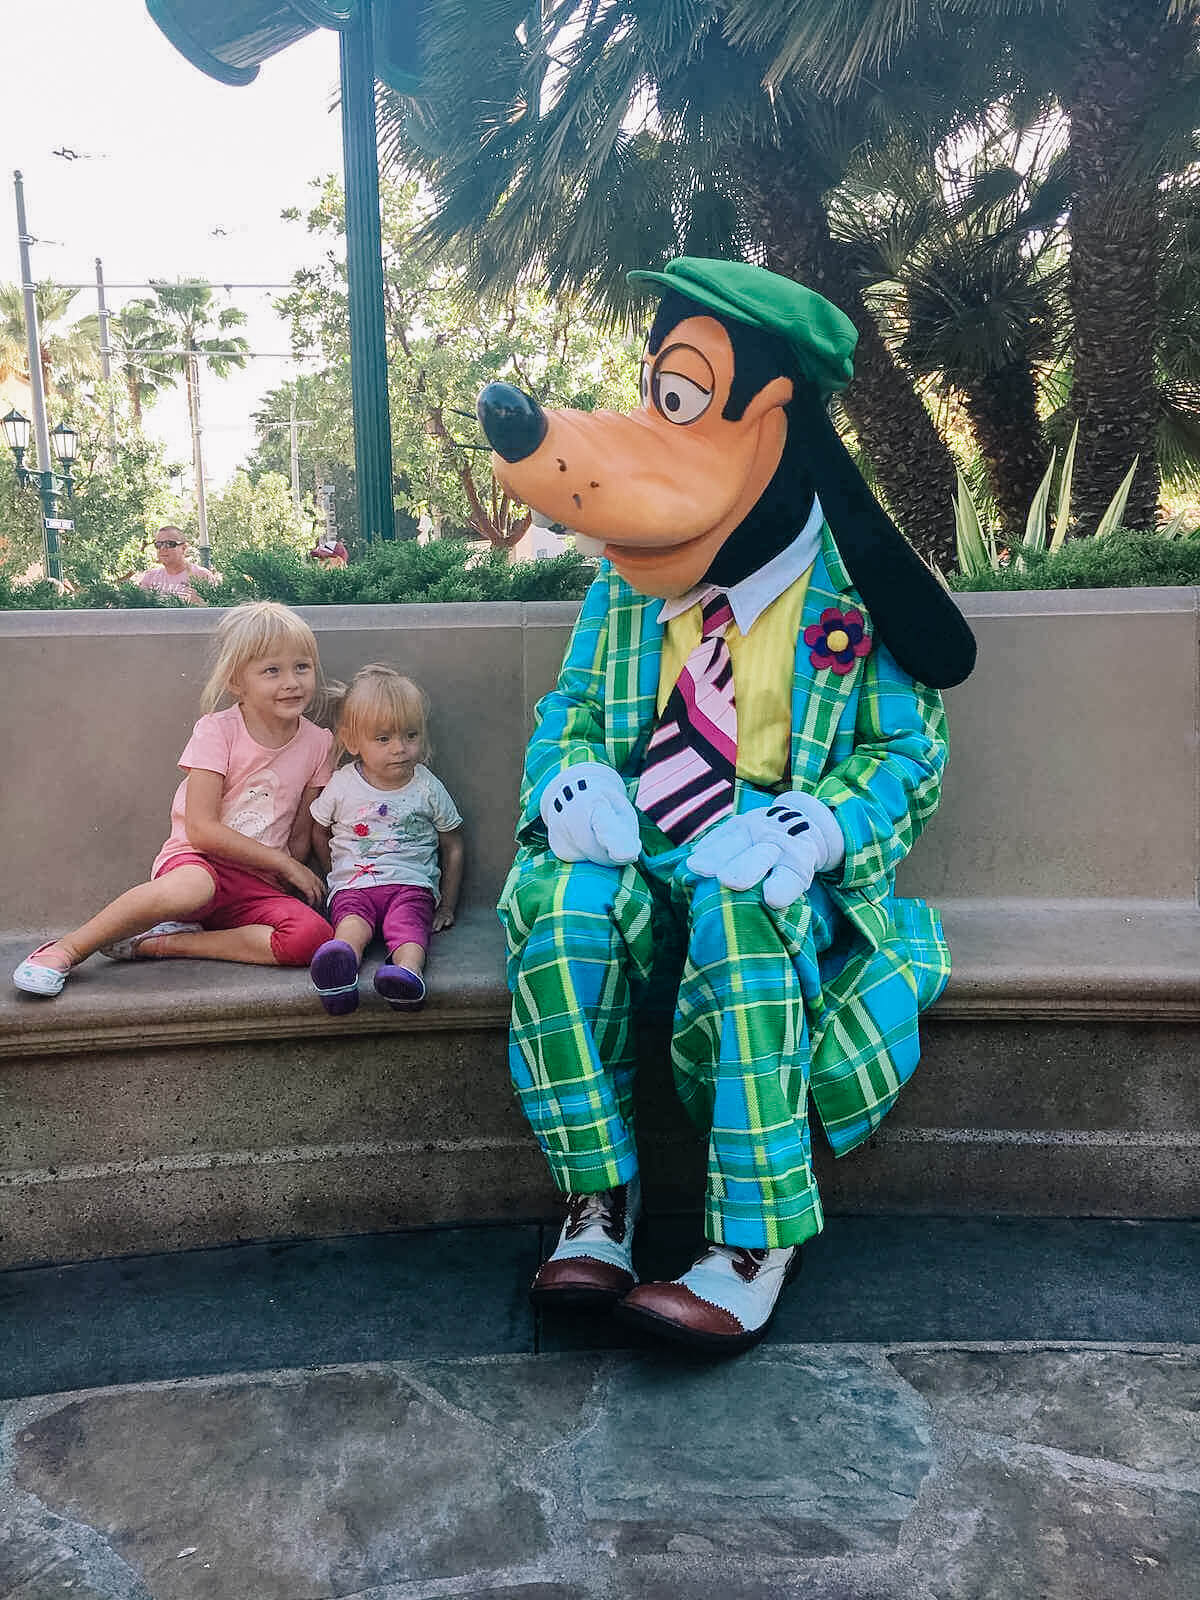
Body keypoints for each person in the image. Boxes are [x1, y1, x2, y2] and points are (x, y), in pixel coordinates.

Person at [476, 258, 976, 1353]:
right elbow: (568, 706)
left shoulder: (855, 592)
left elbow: (909, 748)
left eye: (689, 399)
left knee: (745, 908)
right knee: (556, 903)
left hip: (768, 851)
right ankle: (598, 1206)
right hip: (638, 839)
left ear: (774, 419)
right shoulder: (624, 579)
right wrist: (570, 781)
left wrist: (820, 823)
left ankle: (751, 1239)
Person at [12, 601, 336, 997]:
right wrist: (284, 863)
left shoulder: (319, 744)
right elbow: (201, 829)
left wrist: (295, 878)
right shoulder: (218, 731)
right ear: (237, 681)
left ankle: (160, 943)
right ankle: (66, 949)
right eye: (272, 670)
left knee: (313, 937)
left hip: (257, 885)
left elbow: (300, 836)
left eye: (301, 667)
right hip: (198, 865)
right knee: (190, 890)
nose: (291, 682)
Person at [308, 665, 464, 1015]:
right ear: (352, 741)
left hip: (410, 884)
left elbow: (452, 843)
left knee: (407, 926)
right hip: (354, 886)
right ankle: (340, 969)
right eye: (383, 739)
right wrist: (335, 874)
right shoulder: (342, 784)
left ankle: (406, 975)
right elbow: (318, 829)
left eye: (410, 735)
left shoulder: (426, 786)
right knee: (351, 925)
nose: (400, 749)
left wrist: (448, 904)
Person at [134, 527, 221, 604]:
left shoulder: (202, 576)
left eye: (169, 544)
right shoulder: (150, 578)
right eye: (158, 545)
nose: (162, 549)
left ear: (183, 548)